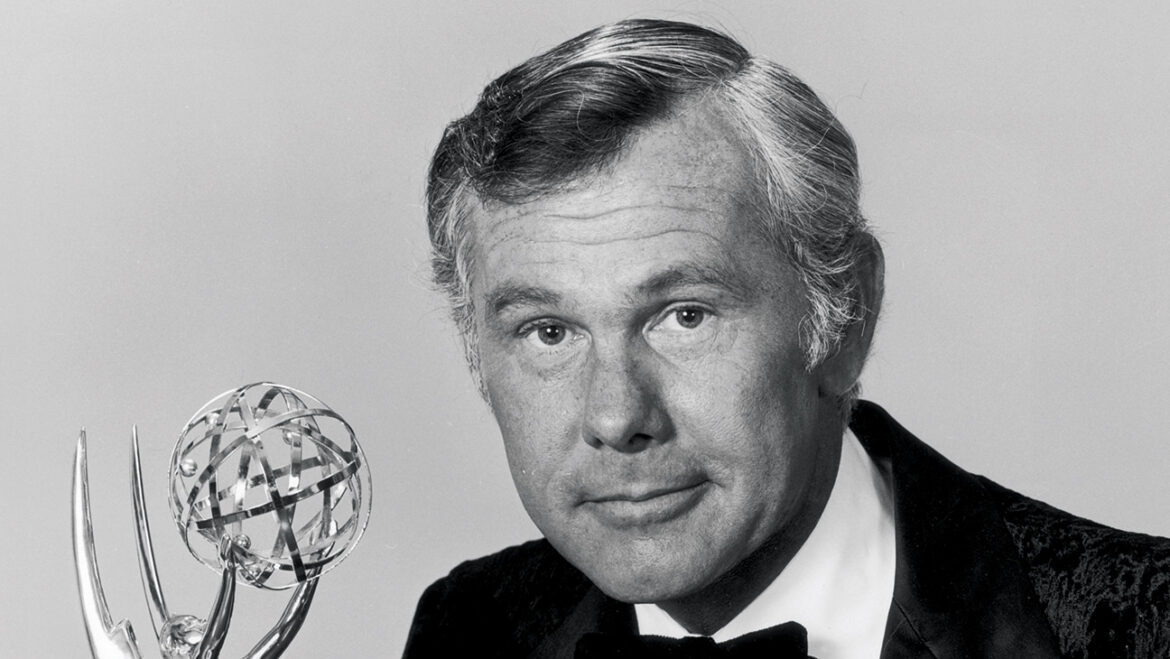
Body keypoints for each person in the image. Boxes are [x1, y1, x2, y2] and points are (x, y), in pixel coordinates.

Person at [404, 18, 1170, 658]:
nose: (615, 416)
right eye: (549, 331)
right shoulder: (471, 627)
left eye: (685, 315)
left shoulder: (1145, 624)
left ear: (844, 318)